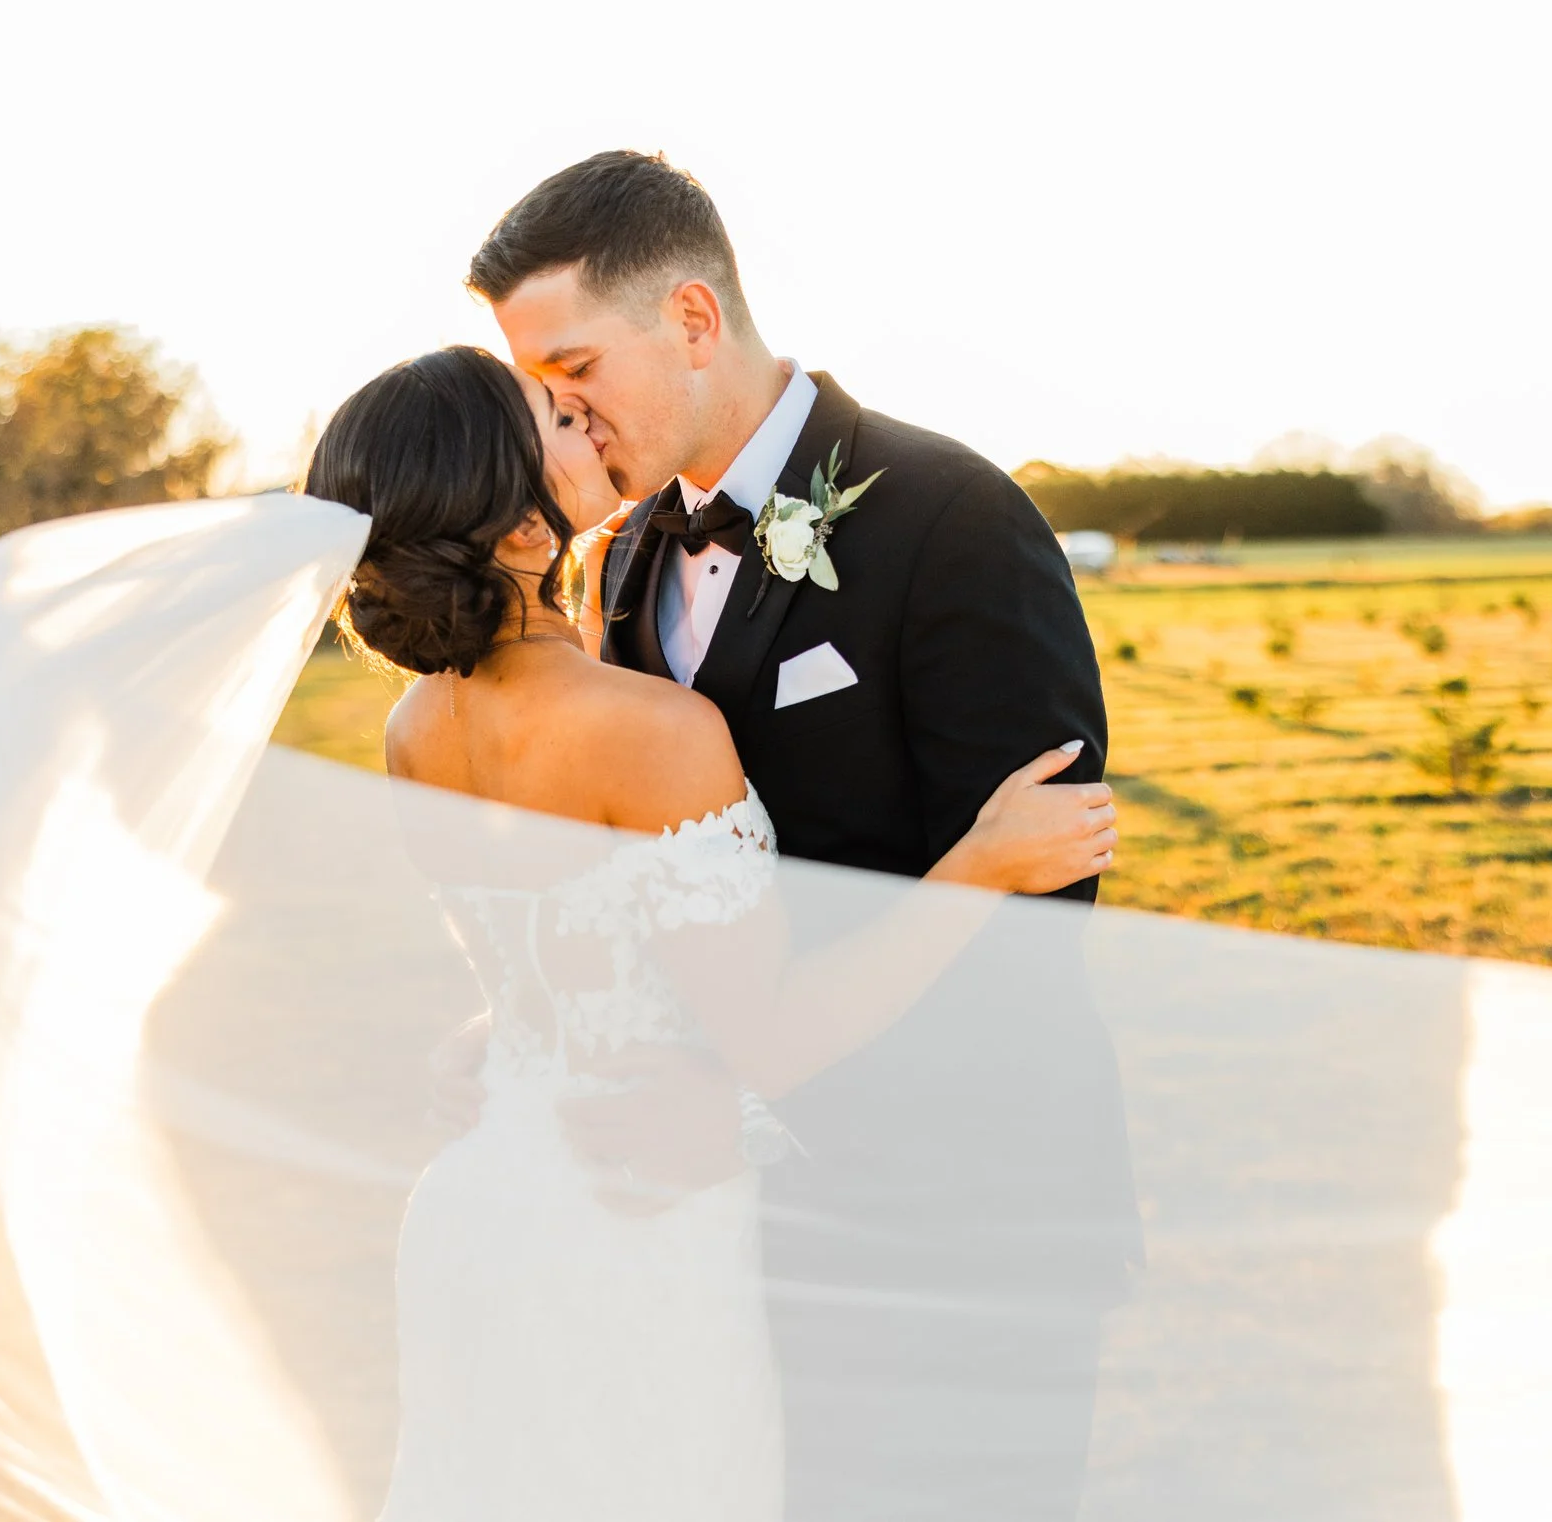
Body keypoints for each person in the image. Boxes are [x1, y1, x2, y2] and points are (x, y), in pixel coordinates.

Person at [302, 343, 1116, 1521]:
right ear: (525, 535)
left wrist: (499, 1027)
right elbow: (775, 1030)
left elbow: (561, 941)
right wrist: (977, 866)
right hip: (637, 1214)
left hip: (487, 1202)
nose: (584, 414)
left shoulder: (413, 727)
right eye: (555, 417)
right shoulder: (654, 729)